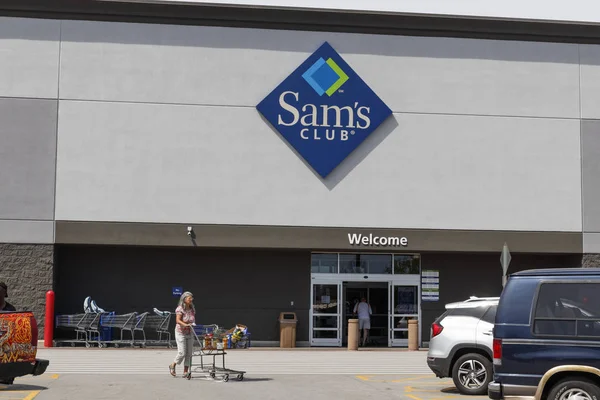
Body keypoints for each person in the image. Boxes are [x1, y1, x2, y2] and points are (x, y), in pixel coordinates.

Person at [168, 291, 196, 378]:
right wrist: (186, 324)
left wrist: (193, 324)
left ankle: (185, 371)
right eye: (189, 298)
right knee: (182, 352)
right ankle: (173, 365)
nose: (191, 299)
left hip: (190, 332)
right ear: (184, 299)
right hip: (181, 332)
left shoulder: (192, 309)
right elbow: (178, 321)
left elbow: (192, 320)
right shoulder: (180, 309)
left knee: (189, 353)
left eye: (192, 298)